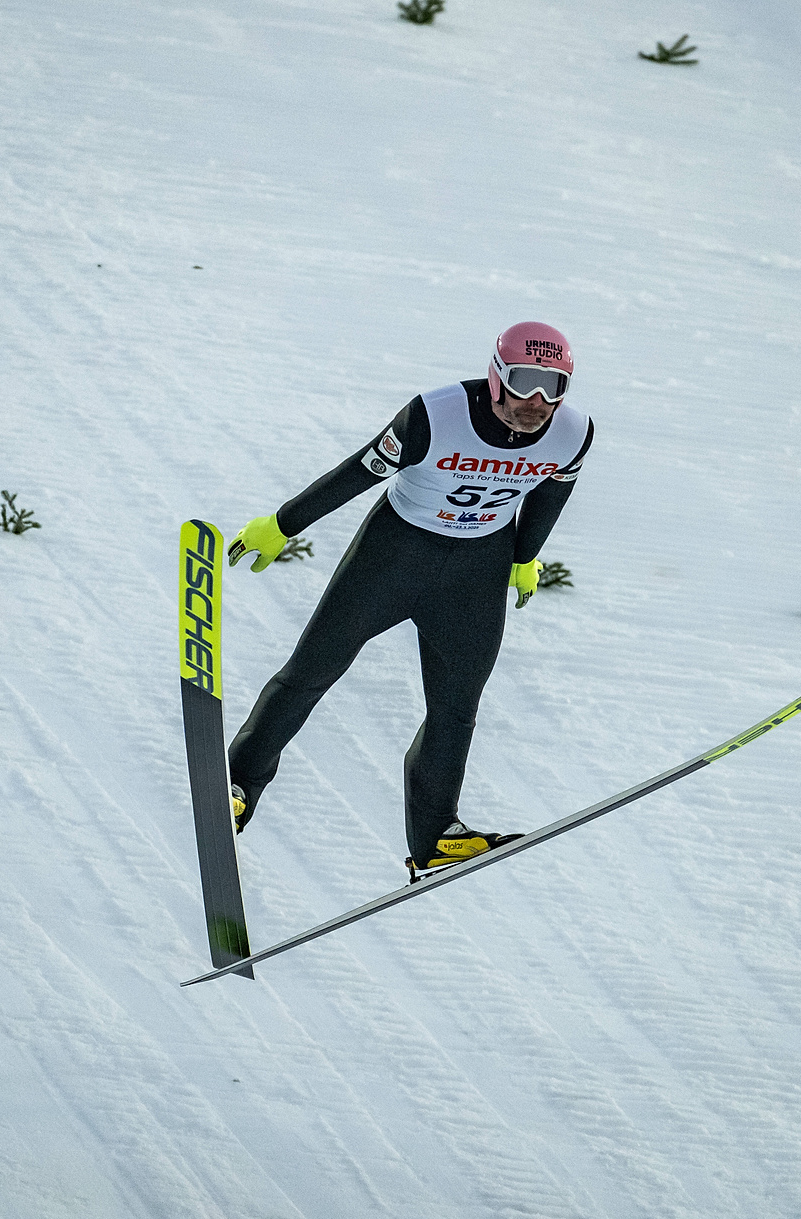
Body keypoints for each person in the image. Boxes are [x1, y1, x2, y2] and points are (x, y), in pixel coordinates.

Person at [225, 322, 595, 877]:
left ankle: (436, 835)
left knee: (455, 709)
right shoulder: (436, 415)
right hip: (395, 554)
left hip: (477, 571)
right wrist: (283, 524)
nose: (537, 401)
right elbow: (358, 473)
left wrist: (524, 556)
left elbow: (551, 493)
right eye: (524, 381)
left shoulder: (573, 432)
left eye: (553, 386)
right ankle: (237, 784)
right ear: (497, 377)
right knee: (312, 671)